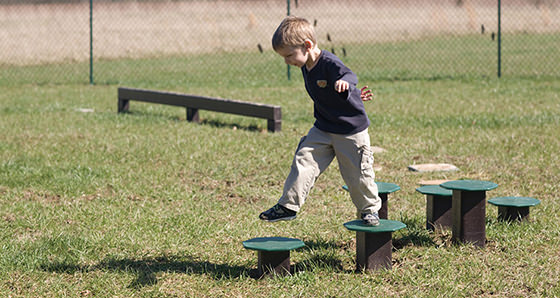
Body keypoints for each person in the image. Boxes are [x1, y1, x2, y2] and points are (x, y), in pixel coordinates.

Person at [259, 16, 381, 226]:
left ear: (307, 46)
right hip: (323, 127)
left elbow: (349, 75)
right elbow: (328, 92)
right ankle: (288, 206)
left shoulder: (329, 63)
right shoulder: (306, 65)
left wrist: (346, 84)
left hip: (350, 130)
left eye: (289, 55)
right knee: (303, 159)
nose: (287, 61)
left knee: (358, 173)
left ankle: (369, 210)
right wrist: (354, 94)